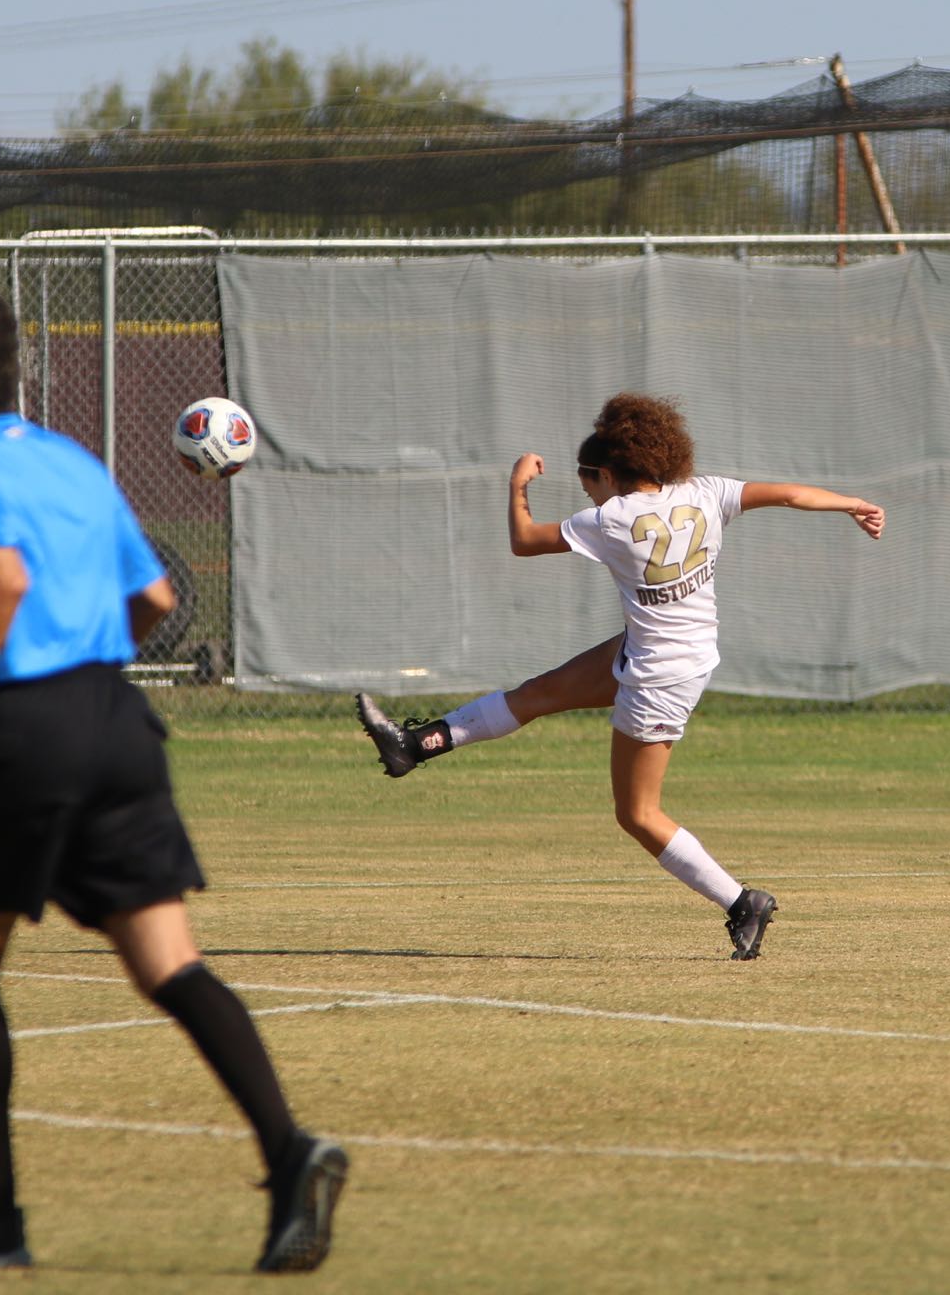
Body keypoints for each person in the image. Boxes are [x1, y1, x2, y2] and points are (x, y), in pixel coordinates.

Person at [0, 287, 345, 1271]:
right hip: (116, 719)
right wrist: (89, 681)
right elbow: (155, 597)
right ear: (14, 364)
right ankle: (288, 1148)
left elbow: (0, 578)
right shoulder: (73, 461)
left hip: (15, 728)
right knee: (168, 962)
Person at [354, 392, 885, 960]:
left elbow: (523, 540)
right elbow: (790, 494)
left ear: (608, 474)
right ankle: (414, 745)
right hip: (670, 649)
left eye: (589, 485)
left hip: (659, 674)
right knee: (537, 695)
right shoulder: (706, 493)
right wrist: (851, 503)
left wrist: (517, 486)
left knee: (637, 814)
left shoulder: (612, 519)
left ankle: (741, 902)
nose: (590, 495)